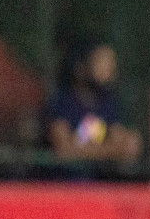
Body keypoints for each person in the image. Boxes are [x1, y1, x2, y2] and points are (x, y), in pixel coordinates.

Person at [44, 41, 143, 173]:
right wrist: (110, 149)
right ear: (80, 67)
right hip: (62, 188)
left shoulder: (108, 104)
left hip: (100, 189)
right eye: (101, 62)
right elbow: (64, 151)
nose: (110, 70)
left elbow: (125, 147)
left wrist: (80, 148)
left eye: (111, 63)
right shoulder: (61, 103)